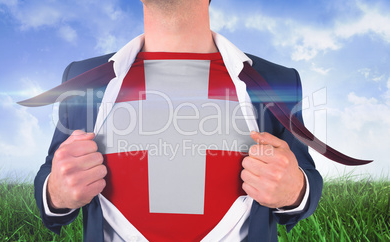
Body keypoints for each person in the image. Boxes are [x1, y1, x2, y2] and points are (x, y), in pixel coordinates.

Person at [33, 0, 323, 241]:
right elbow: (52, 172)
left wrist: (295, 189)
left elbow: (305, 176)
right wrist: (56, 192)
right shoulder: (83, 79)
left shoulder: (277, 80)